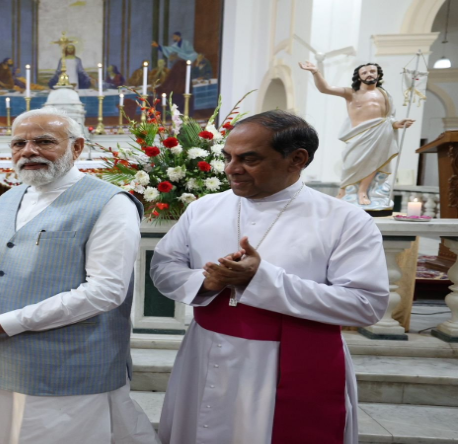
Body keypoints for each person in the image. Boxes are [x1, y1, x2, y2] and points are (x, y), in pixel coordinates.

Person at [150, 110, 389, 444]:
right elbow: (163, 268)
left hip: (287, 361)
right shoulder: (204, 208)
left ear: (297, 159)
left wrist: (260, 280)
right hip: (204, 353)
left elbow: (366, 304)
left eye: (249, 159)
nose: (232, 169)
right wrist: (208, 282)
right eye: (228, 157)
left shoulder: (345, 220)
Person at [0, 108, 159, 444]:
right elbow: (1, 265)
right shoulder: (7, 199)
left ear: (77, 147)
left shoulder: (110, 203)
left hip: (67, 365)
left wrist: (3, 323)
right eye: (19, 143)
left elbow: (104, 292)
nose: (28, 151)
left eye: (44, 141)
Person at [299, 62, 414, 207]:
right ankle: (343, 191)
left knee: (373, 163)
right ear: (359, 77)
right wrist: (315, 72)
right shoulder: (351, 93)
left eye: (372, 71)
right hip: (358, 135)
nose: (369, 74)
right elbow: (325, 88)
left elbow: (388, 118)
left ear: (378, 74)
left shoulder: (384, 94)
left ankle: (363, 191)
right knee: (351, 164)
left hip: (380, 134)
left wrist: (397, 124)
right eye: (364, 73)